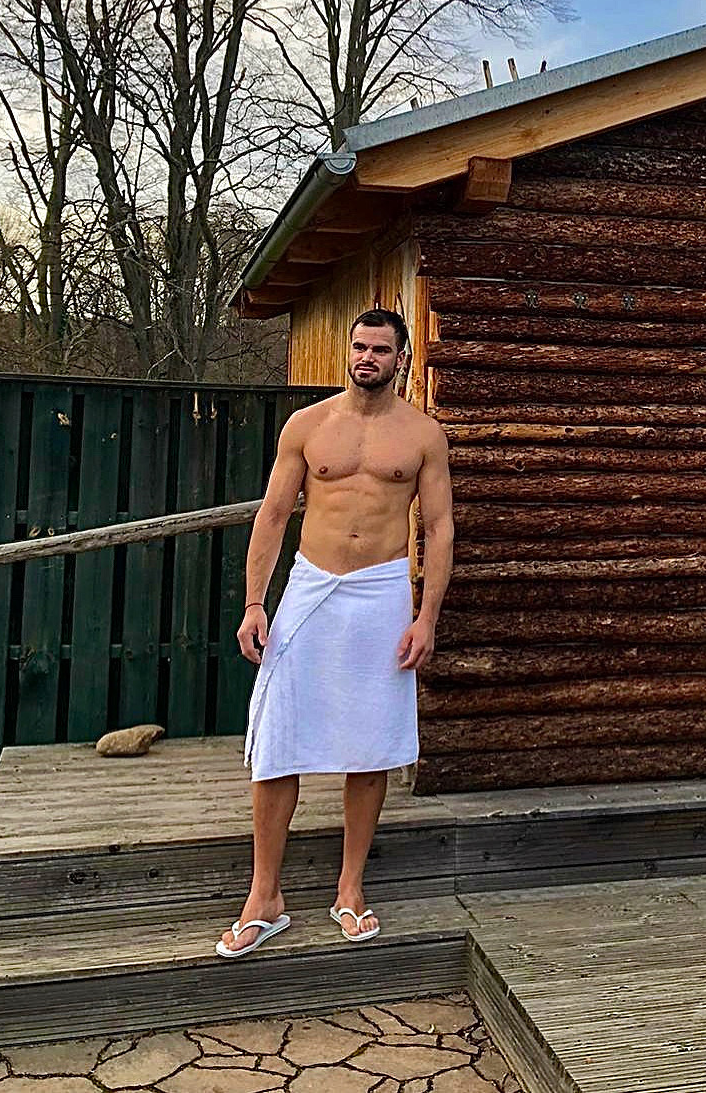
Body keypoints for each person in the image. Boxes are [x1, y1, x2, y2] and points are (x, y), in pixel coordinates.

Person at [216, 307, 453, 959]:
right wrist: (255, 603)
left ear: (401, 358)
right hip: (311, 586)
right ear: (348, 352)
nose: (367, 357)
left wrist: (426, 616)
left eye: (380, 348)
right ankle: (265, 897)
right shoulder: (308, 425)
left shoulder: (423, 435)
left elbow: (439, 528)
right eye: (359, 346)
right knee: (277, 740)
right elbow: (272, 515)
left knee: (370, 744)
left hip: (380, 593)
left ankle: (349, 888)